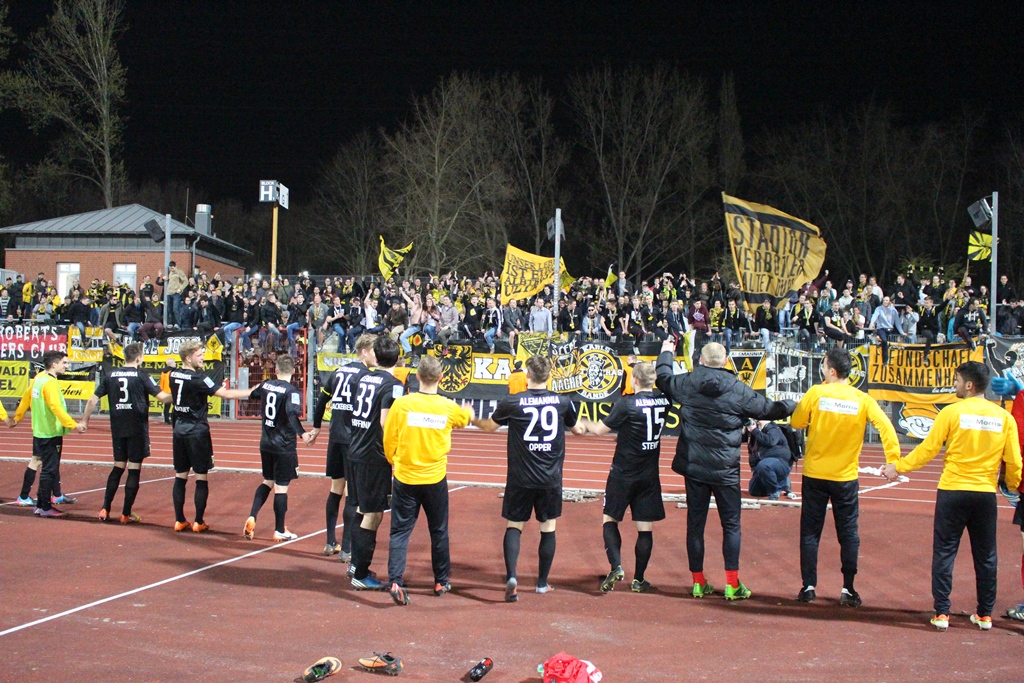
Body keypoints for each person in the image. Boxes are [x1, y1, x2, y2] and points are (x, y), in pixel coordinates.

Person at [883, 361, 1022, 631]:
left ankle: (942, 613)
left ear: (969, 385)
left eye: (957, 380)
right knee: (986, 556)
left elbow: (927, 450)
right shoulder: (1004, 418)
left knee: (945, 552)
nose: (954, 385)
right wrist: (1013, 485)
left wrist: (898, 466)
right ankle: (984, 615)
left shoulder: (951, 412)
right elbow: (1014, 460)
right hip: (984, 495)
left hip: (952, 492)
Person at [655, 340, 794, 599]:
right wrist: (796, 404)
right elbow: (769, 409)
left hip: (695, 467)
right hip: (725, 469)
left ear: (701, 360)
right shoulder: (737, 389)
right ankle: (732, 584)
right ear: (726, 360)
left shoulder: (688, 382)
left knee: (695, 525)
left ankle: (698, 582)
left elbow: (663, 378)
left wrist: (665, 352)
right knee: (731, 525)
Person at [789, 348, 901, 606]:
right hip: (845, 477)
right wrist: (893, 459)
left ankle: (808, 586)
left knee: (810, 532)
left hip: (815, 474)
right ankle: (848, 588)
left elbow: (796, 422)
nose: (822, 370)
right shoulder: (862, 399)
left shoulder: (816, 393)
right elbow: (886, 426)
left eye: (823, 366)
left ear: (831, 371)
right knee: (848, 533)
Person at [476, 355, 585, 602]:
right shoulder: (563, 402)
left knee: (514, 525)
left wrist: (471, 418)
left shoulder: (513, 401)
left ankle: (512, 577)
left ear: (527, 375)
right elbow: (578, 430)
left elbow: (490, 427)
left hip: (520, 477)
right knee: (548, 527)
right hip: (550, 477)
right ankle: (542, 583)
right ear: (549, 375)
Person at [382, 355, 477, 605]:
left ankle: (395, 580)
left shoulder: (402, 405)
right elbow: (464, 419)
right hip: (434, 478)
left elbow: (389, 438)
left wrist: (393, 460)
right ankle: (440, 581)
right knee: (438, 531)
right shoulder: (447, 406)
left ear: (417, 377)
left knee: (400, 532)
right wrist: (468, 412)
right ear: (441, 378)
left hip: (405, 477)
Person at [580, 362, 671, 594]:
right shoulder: (664, 402)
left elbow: (600, 430)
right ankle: (639, 579)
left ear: (635, 380)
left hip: (622, 472)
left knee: (609, 519)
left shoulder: (626, 404)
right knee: (645, 528)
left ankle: (616, 566)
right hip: (649, 474)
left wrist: (583, 423)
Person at [168, 340, 252, 532]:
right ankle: (198, 521)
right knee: (201, 476)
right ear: (188, 358)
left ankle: (179, 520)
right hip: (197, 432)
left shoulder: (174, 374)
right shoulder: (199, 378)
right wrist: (251, 391)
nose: (203, 358)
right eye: (199, 355)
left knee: (180, 475)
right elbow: (225, 394)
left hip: (179, 430)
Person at [82, 343, 172, 523]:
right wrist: (184, 393)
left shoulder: (110, 375)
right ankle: (126, 513)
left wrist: (85, 420)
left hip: (118, 427)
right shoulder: (142, 375)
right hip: (137, 427)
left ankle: (105, 508)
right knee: (134, 469)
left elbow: (92, 400)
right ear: (138, 358)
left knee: (118, 467)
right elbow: (163, 398)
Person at [309, 334, 377, 559]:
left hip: (335, 436)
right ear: (364, 351)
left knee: (336, 488)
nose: (377, 356)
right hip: (354, 440)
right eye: (374, 351)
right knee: (353, 494)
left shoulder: (338, 372)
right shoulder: (366, 376)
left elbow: (321, 401)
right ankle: (347, 548)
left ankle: (330, 542)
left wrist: (316, 428)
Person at [346, 335, 405, 590]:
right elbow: (385, 422)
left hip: (355, 449)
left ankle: (356, 564)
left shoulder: (361, 377)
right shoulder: (394, 385)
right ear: (397, 358)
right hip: (374, 455)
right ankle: (360, 574)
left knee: (362, 510)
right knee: (373, 515)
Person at [243, 355, 311, 542]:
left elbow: (252, 394)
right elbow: (292, 414)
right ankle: (280, 529)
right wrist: (302, 434)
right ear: (294, 371)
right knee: (281, 488)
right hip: (284, 445)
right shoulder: (292, 391)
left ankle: (253, 515)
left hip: (266, 443)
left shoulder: (266, 385)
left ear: (276, 370)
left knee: (268, 480)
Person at [12, 350, 87, 517]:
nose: (67, 366)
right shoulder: (50, 383)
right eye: (64, 363)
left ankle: (40, 505)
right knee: (49, 470)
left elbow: (26, 398)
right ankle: (45, 507)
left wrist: (17, 417)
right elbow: (56, 407)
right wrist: (73, 425)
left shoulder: (39, 378)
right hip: (50, 432)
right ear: (54, 364)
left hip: (39, 431)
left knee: (43, 466)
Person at [745, 420, 795, 501]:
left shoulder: (773, 428)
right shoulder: (756, 433)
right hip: (763, 463)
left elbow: (771, 441)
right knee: (754, 491)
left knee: (764, 465)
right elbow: (753, 451)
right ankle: (783, 482)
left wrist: (755, 431)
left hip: (780, 462)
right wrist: (754, 468)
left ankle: (775, 491)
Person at [160, 357, 175, 424]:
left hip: (165, 391)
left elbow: (161, 383)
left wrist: (162, 391)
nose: (175, 364)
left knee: (167, 407)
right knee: (176, 406)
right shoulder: (172, 372)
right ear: (171, 364)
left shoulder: (163, 372)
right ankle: (173, 417)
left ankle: (166, 419)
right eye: (174, 362)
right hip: (172, 391)